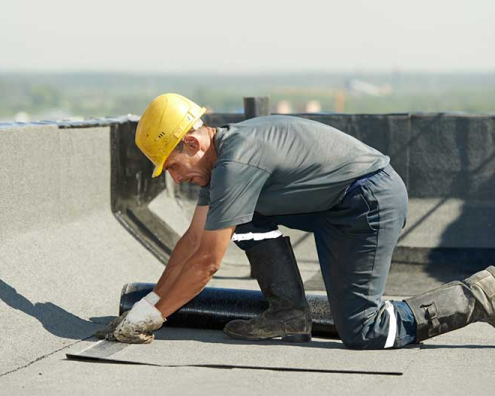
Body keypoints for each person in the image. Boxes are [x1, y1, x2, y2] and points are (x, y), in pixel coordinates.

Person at [97, 93, 495, 349]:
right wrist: (148, 302)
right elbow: (192, 243)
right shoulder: (219, 166)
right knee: (237, 216)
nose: (176, 178)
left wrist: (153, 317)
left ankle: (480, 294)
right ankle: (288, 312)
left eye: (173, 166)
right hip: (335, 204)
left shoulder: (236, 162)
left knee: (364, 330)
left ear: (191, 142)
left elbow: (206, 263)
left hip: (368, 203)